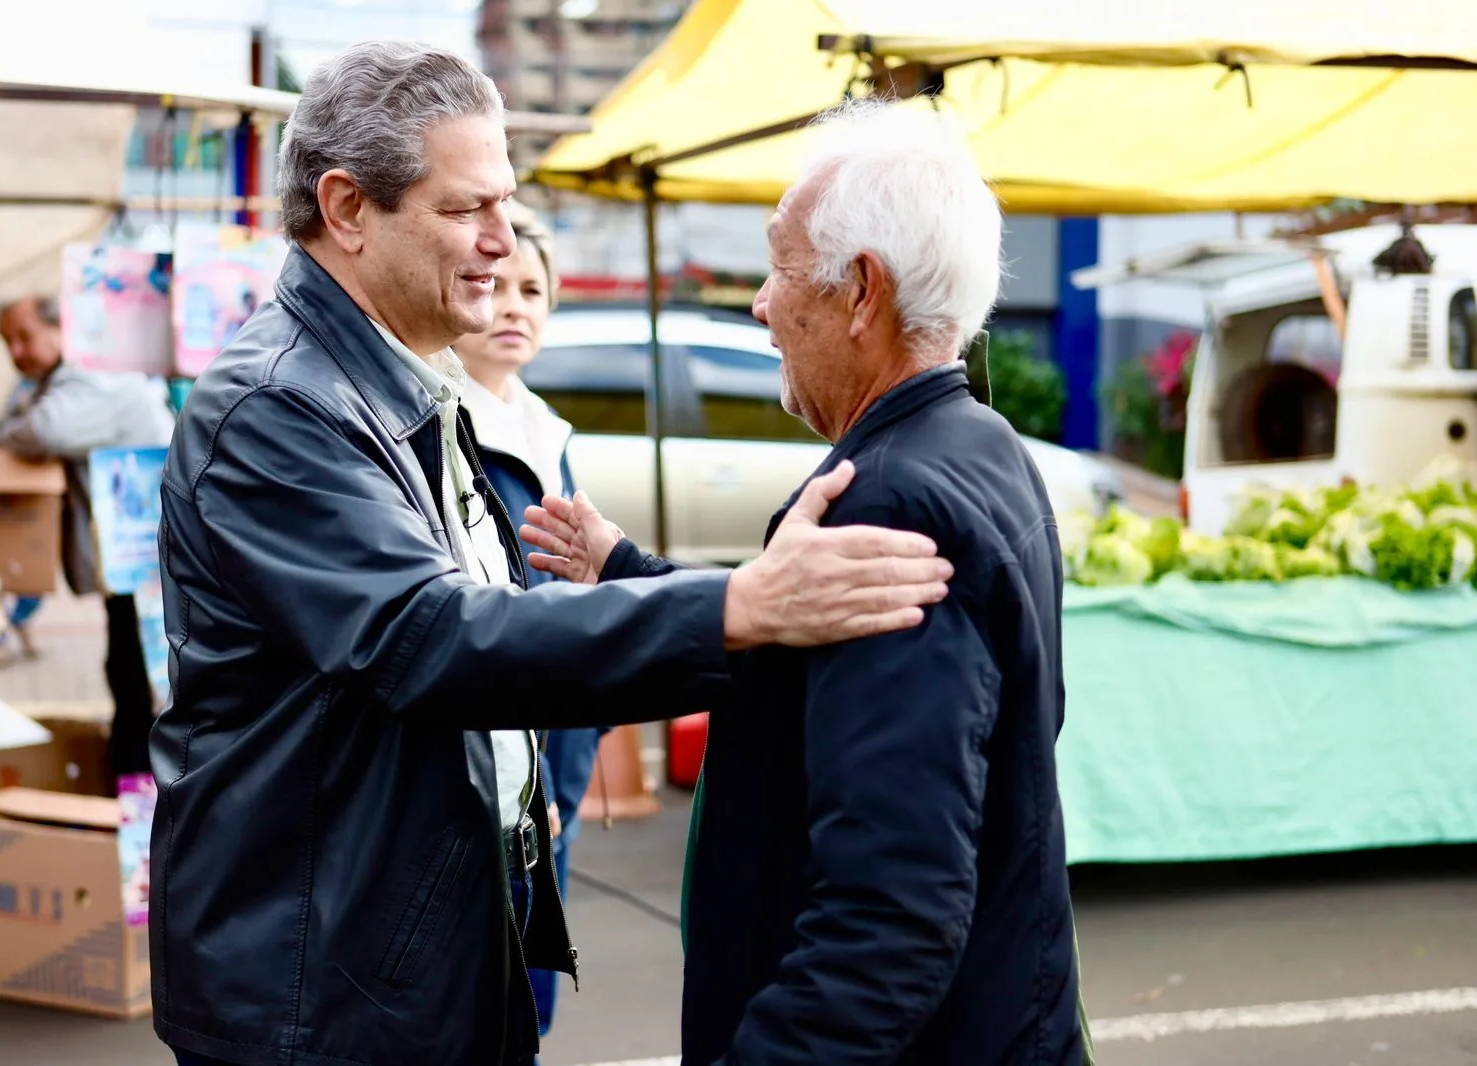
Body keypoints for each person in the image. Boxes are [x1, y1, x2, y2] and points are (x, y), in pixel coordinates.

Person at [148, 42, 956, 1066]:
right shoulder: (278, 406)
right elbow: (426, 636)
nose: (503, 243)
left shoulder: (400, 378)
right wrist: (737, 607)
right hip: (322, 995)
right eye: (466, 209)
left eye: (506, 205)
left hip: (401, 959)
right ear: (347, 209)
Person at [522, 99, 1092, 1064]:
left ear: (863, 291)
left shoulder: (895, 502)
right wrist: (625, 570)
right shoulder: (980, 444)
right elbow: (793, 654)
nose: (760, 303)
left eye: (780, 268)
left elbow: (891, 918)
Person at [450, 197, 605, 1042]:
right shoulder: (442, 426)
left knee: (530, 999)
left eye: (535, 291)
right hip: (499, 777)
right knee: (485, 1006)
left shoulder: (550, 434)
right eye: (498, 285)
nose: (514, 306)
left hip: (558, 769)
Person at [0, 295, 176, 785]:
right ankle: (134, 786)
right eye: (8, 341)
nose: (17, 351)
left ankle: (143, 792)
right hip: (134, 560)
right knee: (127, 673)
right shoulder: (58, 380)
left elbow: (45, 429)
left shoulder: (91, 376)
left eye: (25, 336)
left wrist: (18, 417)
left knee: (140, 680)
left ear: (61, 329)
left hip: (154, 561)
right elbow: (3, 432)